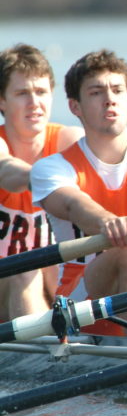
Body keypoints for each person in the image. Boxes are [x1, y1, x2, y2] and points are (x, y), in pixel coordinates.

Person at [31, 50, 127, 337]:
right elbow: (73, 204)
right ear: (75, 106)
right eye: (96, 92)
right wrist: (108, 222)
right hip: (79, 300)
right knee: (126, 251)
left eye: (118, 90)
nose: (109, 99)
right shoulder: (52, 167)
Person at [0, 44, 82, 322]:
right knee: (25, 266)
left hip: (52, 281)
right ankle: (45, 358)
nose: (34, 103)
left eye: (41, 92)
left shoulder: (68, 140)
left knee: (53, 263)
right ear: (2, 100)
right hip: (7, 280)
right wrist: (44, 177)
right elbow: (6, 170)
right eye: (22, 93)